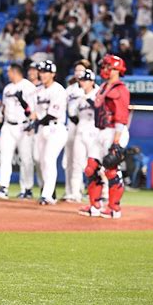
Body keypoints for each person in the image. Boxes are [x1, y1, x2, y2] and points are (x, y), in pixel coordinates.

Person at [79, 55, 130, 219]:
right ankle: (94, 206)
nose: (105, 69)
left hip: (114, 131)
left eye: (109, 67)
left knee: (111, 170)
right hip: (100, 131)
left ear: (116, 70)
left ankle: (114, 208)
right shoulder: (102, 87)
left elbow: (122, 116)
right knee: (90, 168)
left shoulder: (120, 89)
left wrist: (117, 142)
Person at [0, 63, 36, 200]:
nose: (7, 74)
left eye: (9, 71)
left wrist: (31, 124)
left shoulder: (29, 87)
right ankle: (3, 188)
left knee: (26, 158)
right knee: (5, 157)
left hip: (23, 126)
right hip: (8, 125)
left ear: (15, 72)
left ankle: (27, 189)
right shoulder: (8, 88)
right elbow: (4, 106)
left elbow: (34, 109)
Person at [31, 60, 68, 205]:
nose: (43, 74)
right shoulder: (38, 90)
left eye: (46, 72)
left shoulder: (58, 90)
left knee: (48, 159)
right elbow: (34, 112)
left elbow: (52, 114)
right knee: (38, 159)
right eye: (41, 71)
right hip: (42, 129)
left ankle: (46, 195)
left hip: (56, 128)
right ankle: (48, 190)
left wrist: (36, 122)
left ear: (53, 74)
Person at [68, 69, 99, 203]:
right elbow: (73, 115)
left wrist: (90, 101)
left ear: (92, 81)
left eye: (85, 80)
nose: (83, 82)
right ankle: (75, 193)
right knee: (77, 164)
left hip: (93, 132)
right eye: (81, 80)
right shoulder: (79, 97)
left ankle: (100, 193)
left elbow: (100, 113)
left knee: (95, 164)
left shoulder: (98, 94)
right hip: (80, 132)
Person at [62, 60, 89, 202]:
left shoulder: (93, 88)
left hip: (87, 125)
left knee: (87, 161)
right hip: (71, 126)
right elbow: (62, 106)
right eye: (76, 70)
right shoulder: (70, 89)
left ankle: (85, 190)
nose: (78, 72)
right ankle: (70, 191)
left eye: (81, 70)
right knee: (69, 161)